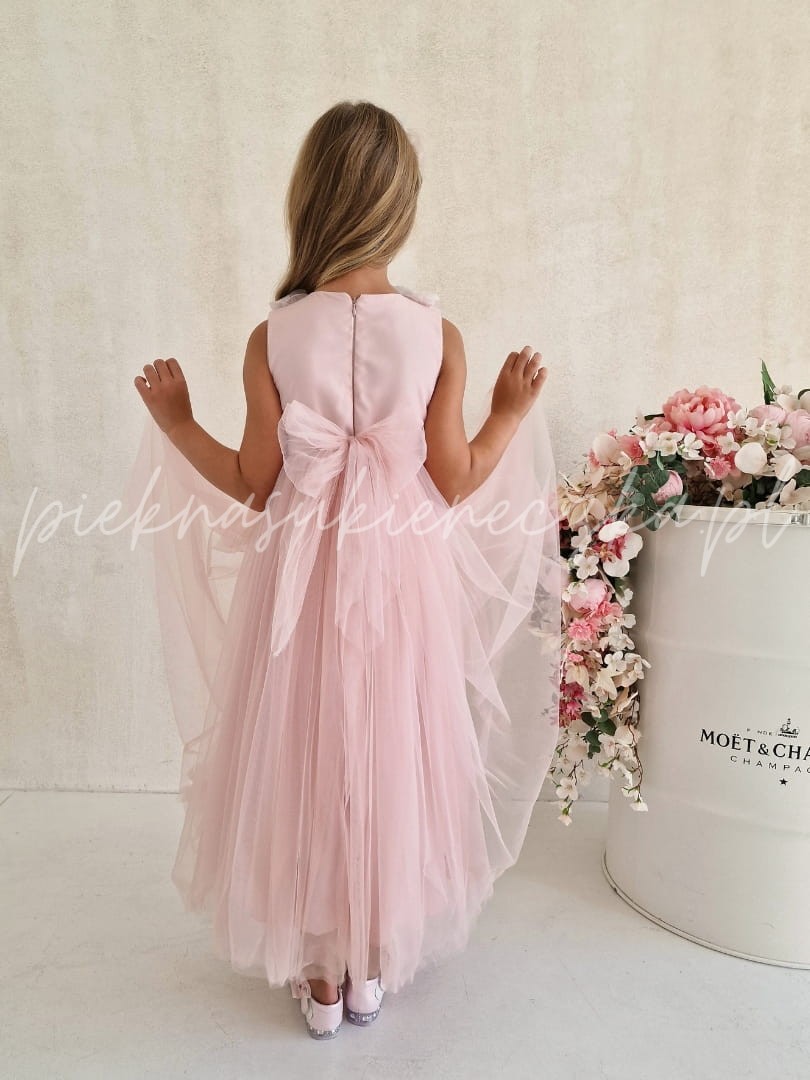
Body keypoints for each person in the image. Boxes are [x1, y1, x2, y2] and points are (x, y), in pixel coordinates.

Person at [124, 99, 561, 1041]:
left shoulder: (273, 336)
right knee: (391, 749)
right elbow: (455, 479)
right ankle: (371, 964)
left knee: (304, 753)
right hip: (401, 587)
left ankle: (320, 975)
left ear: (309, 201)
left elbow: (252, 483)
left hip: (301, 587)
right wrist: (508, 412)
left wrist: (176, 422)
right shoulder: (436, 335)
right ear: (401, 205)